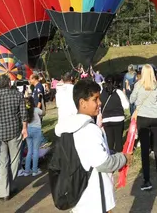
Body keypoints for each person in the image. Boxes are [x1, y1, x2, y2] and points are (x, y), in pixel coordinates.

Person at [55, 79, 133, 213]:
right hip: (95, 197)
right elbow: (103, 163)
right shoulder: (89, 130)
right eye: (95, 99)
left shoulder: (69, 128)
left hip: (80, 196)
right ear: (82, 103)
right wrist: (124, 158)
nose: (100, 102)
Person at [0, 75, 28, 200]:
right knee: (15, 160)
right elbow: (24, 114)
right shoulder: (17, 95)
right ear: (9, 83)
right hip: (14, 131)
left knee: (2, 163)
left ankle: (3, 191)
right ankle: (12, 185)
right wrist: (24, 128)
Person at [128, 64, 157, 190]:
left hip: (143, 117)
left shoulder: (138, 85)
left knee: (145, 149)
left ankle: (146, 180)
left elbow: (132, 100)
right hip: (156, 117)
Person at [98, 75, 130, 155]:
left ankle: (111, 156)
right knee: (118, 139)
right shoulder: (118, 92)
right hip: (118, 118)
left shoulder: (102, 93)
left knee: (109, 139)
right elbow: (126, 105)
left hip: (106, 119)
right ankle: (119, 157)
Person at [21, 93, 44, 177]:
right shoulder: (36, 110)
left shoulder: (25, 112)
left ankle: (27, 170)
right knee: (35, 150)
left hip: (28, 130)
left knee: (29, 151)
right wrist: (42, 102)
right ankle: (35, 170)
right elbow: (44, 113)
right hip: (36, 130)